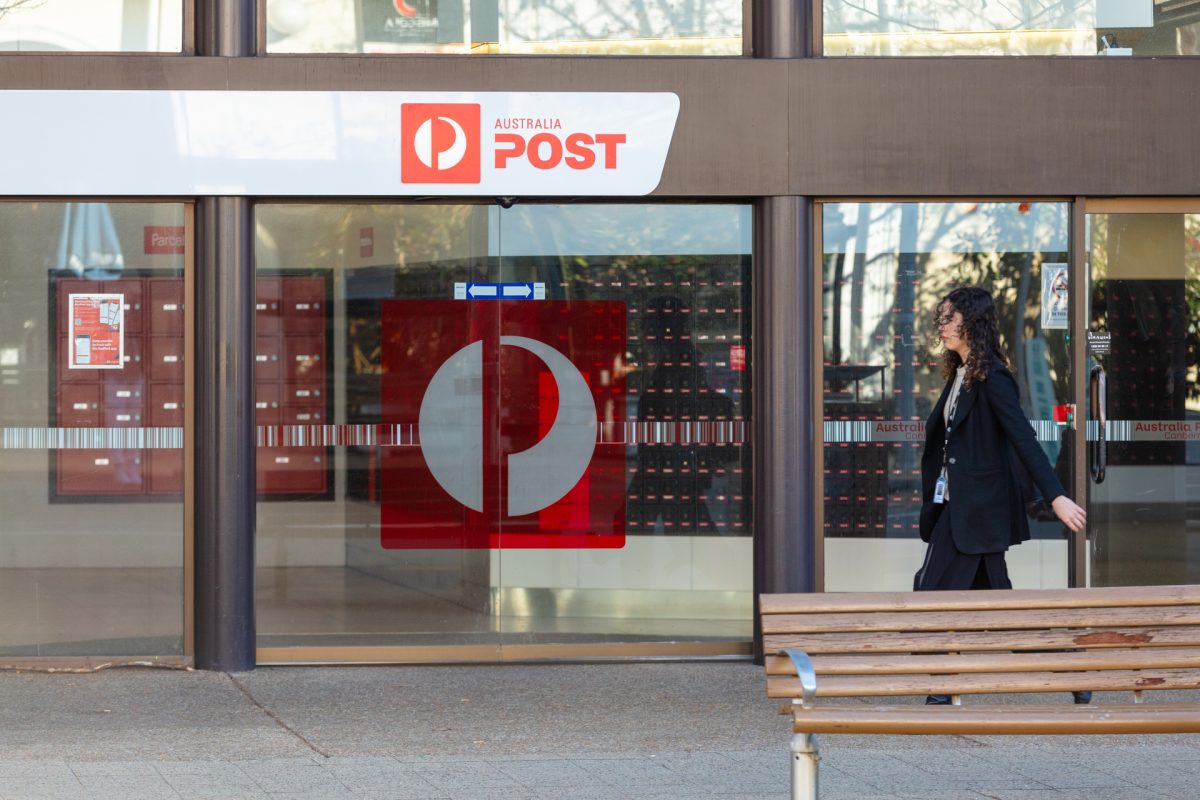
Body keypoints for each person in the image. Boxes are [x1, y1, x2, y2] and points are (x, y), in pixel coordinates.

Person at [916, 286, 1088, 704]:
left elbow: (1024, 439)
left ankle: (942, 684)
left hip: (977, 512)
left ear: (971, 322)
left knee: (931, 592)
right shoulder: (960, 373)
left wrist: (1056, 496)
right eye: (941, 316)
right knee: (1002, 612)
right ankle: (1071, 670)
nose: (942, 324)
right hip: (959, 510)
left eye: (949, 317)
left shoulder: (991, 376)